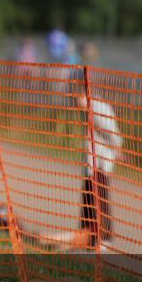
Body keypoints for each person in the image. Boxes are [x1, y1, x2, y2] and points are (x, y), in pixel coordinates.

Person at [52, 83, 122, 250]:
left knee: (101, 200)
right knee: (88, 198)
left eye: (77, 97)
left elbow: (114, 137)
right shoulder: (88, 109)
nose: (76, 102)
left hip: (101, 164)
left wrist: (114, 153)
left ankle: (105, 239)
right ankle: (87, 234)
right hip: (92, 162)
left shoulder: (98, 108)